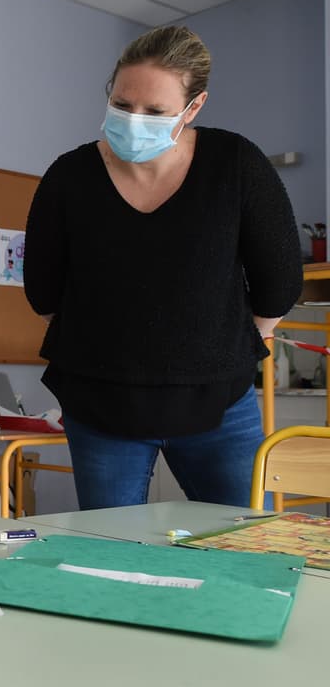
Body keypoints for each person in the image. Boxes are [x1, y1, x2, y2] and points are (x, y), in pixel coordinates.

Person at [24, 25, 302, 510]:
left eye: (155, 112)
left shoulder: (236, 165)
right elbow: (44, 292)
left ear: (192, 109)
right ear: (110, 89)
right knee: (112, 555)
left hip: (219, 404)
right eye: (123, 104)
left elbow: (278, 281)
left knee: (244, 547)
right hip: (99, 407)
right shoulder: (69, 177)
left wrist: (227, 344)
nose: (134, 120)